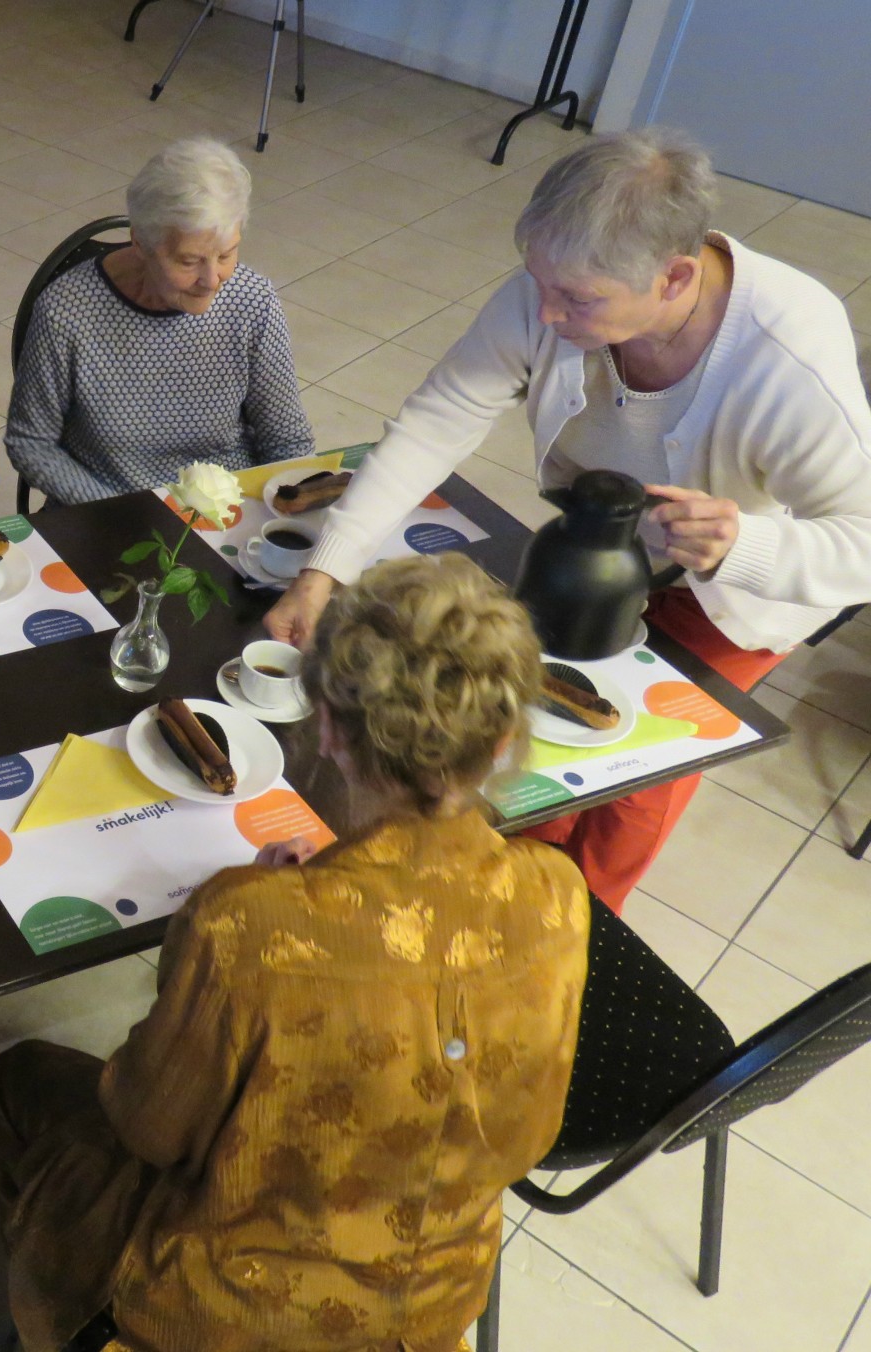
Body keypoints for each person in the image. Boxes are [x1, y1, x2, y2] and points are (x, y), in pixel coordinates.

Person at [0, 553, 589, 1352]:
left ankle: (60, 1319)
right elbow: (526, 1135)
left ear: (331, 730)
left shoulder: (250, 925)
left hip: (219, 1313)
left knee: (19, 1075)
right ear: (505, 736)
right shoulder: (557, 891)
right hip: (433, 1308)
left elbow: (148, 1125)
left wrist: (228, 922)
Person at [264, 127, 871, 909]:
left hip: (733, 592)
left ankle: (570, 932)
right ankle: (485, 900)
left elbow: (862, 543)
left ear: (674, 275)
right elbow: (438, 420)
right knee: (533, 740)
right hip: (592, 554)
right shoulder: (556, 290)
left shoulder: (788, 356)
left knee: (633, 792)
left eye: (577, 300)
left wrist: (742, 545)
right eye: (538, 284)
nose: (545, 315)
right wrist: (326, 570)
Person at [7, 136, 313, 504]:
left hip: (228, 513)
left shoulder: (252, 302)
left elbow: (287, 442)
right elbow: (32, 443)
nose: (212, 279)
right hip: (107, 513)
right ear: (140, 243)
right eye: (188, 261)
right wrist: (129, 514)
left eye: (227, 254)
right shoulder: (67, 312)